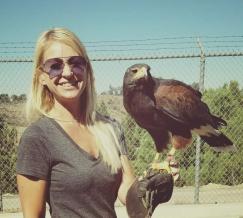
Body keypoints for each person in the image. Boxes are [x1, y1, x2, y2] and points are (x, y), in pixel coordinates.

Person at [16, 27, 173, 218]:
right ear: (41, 77)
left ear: (87, 69)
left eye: (76, 63)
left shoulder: (111, 128)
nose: (67, 72)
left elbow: (129, 193)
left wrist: (151, 185)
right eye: (55, 65)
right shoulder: (38, 138)